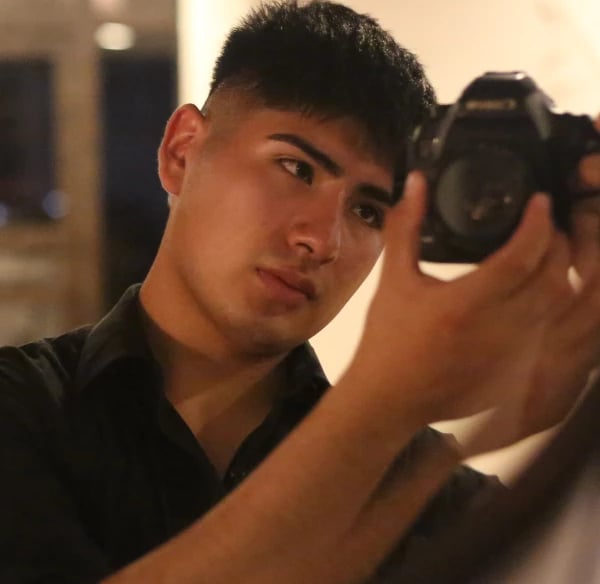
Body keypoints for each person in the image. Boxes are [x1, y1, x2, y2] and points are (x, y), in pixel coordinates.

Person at [1, 1, 599, 583]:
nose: (323, 239)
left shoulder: (431, 491)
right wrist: (385, 402)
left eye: (369, 211)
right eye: (296, 169)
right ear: (182, 152)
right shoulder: (23, 411)